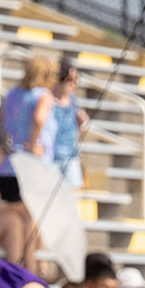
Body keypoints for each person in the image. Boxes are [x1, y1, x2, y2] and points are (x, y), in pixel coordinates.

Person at [0, 55, 58, 264]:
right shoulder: (43, 95)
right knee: (30, 219)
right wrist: (35, 143)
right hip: (30, 166)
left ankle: (18, 264)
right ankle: (28, 269)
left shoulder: (11, 94)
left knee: (18, 221)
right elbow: (38, 118)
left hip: (7, 166)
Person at [49, 55, 88, 191]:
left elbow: (77, 132)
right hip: (51, 155)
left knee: (74, 192)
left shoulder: (73, 101)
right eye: (70, 80)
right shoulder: (46, 99)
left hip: (70, 155)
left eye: (76, 81)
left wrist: (81, 123)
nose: (74, 84)